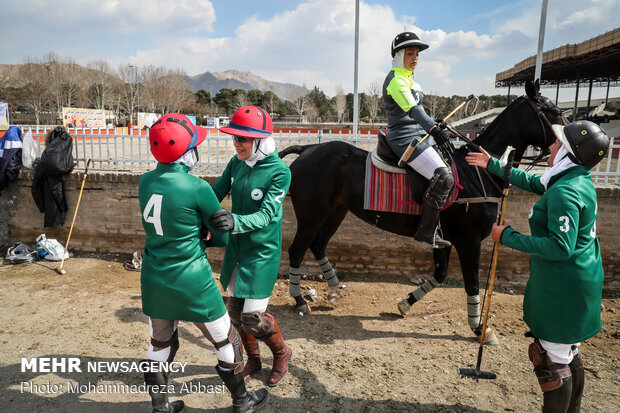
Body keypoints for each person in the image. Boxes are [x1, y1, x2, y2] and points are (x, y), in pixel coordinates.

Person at [465, 120, 610, 413]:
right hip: (580, 280)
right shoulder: (575, 179)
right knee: (568, 354)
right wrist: (492, 164)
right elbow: (535, 182)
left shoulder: (564, 192)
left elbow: (560, 246)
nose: (551, 147)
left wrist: (508, 236)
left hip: (563, 287)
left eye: (558, 144)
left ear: (570, 154)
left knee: (551, 361)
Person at [139, 113, 268, 413]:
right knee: (228, 341)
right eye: (193, 144)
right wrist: (205, 235)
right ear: (185, 151)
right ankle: (241, 401)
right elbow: (221, 238)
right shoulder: (197, 187)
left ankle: (161, 407)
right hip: (192, 279)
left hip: (154, 276)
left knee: (161, 344)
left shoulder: (145, 181)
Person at [209, 106, 293, 387]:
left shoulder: (280, 172)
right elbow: (216, 192)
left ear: (259, 140)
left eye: (242, 139)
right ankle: (254, 360)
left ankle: (282, 354)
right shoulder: (236, 162)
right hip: (236, 250)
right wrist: (195, 208)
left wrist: (235, 221)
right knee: (234, 313)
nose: (236, 143)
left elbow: (267, 214)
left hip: (260, 253)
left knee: (253, 320)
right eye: (234, 137)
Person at [383, 31, 456, 248]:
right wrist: (433, 129)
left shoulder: (410, 80)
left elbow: (422, 112)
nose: (415, 58)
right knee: (444, 177)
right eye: (410, 53)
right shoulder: (395, 80)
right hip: (404, 138)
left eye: (417, 54)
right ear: (398, 55)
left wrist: (436, 123)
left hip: (418, 135)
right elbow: (414, 111)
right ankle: (425, 231)